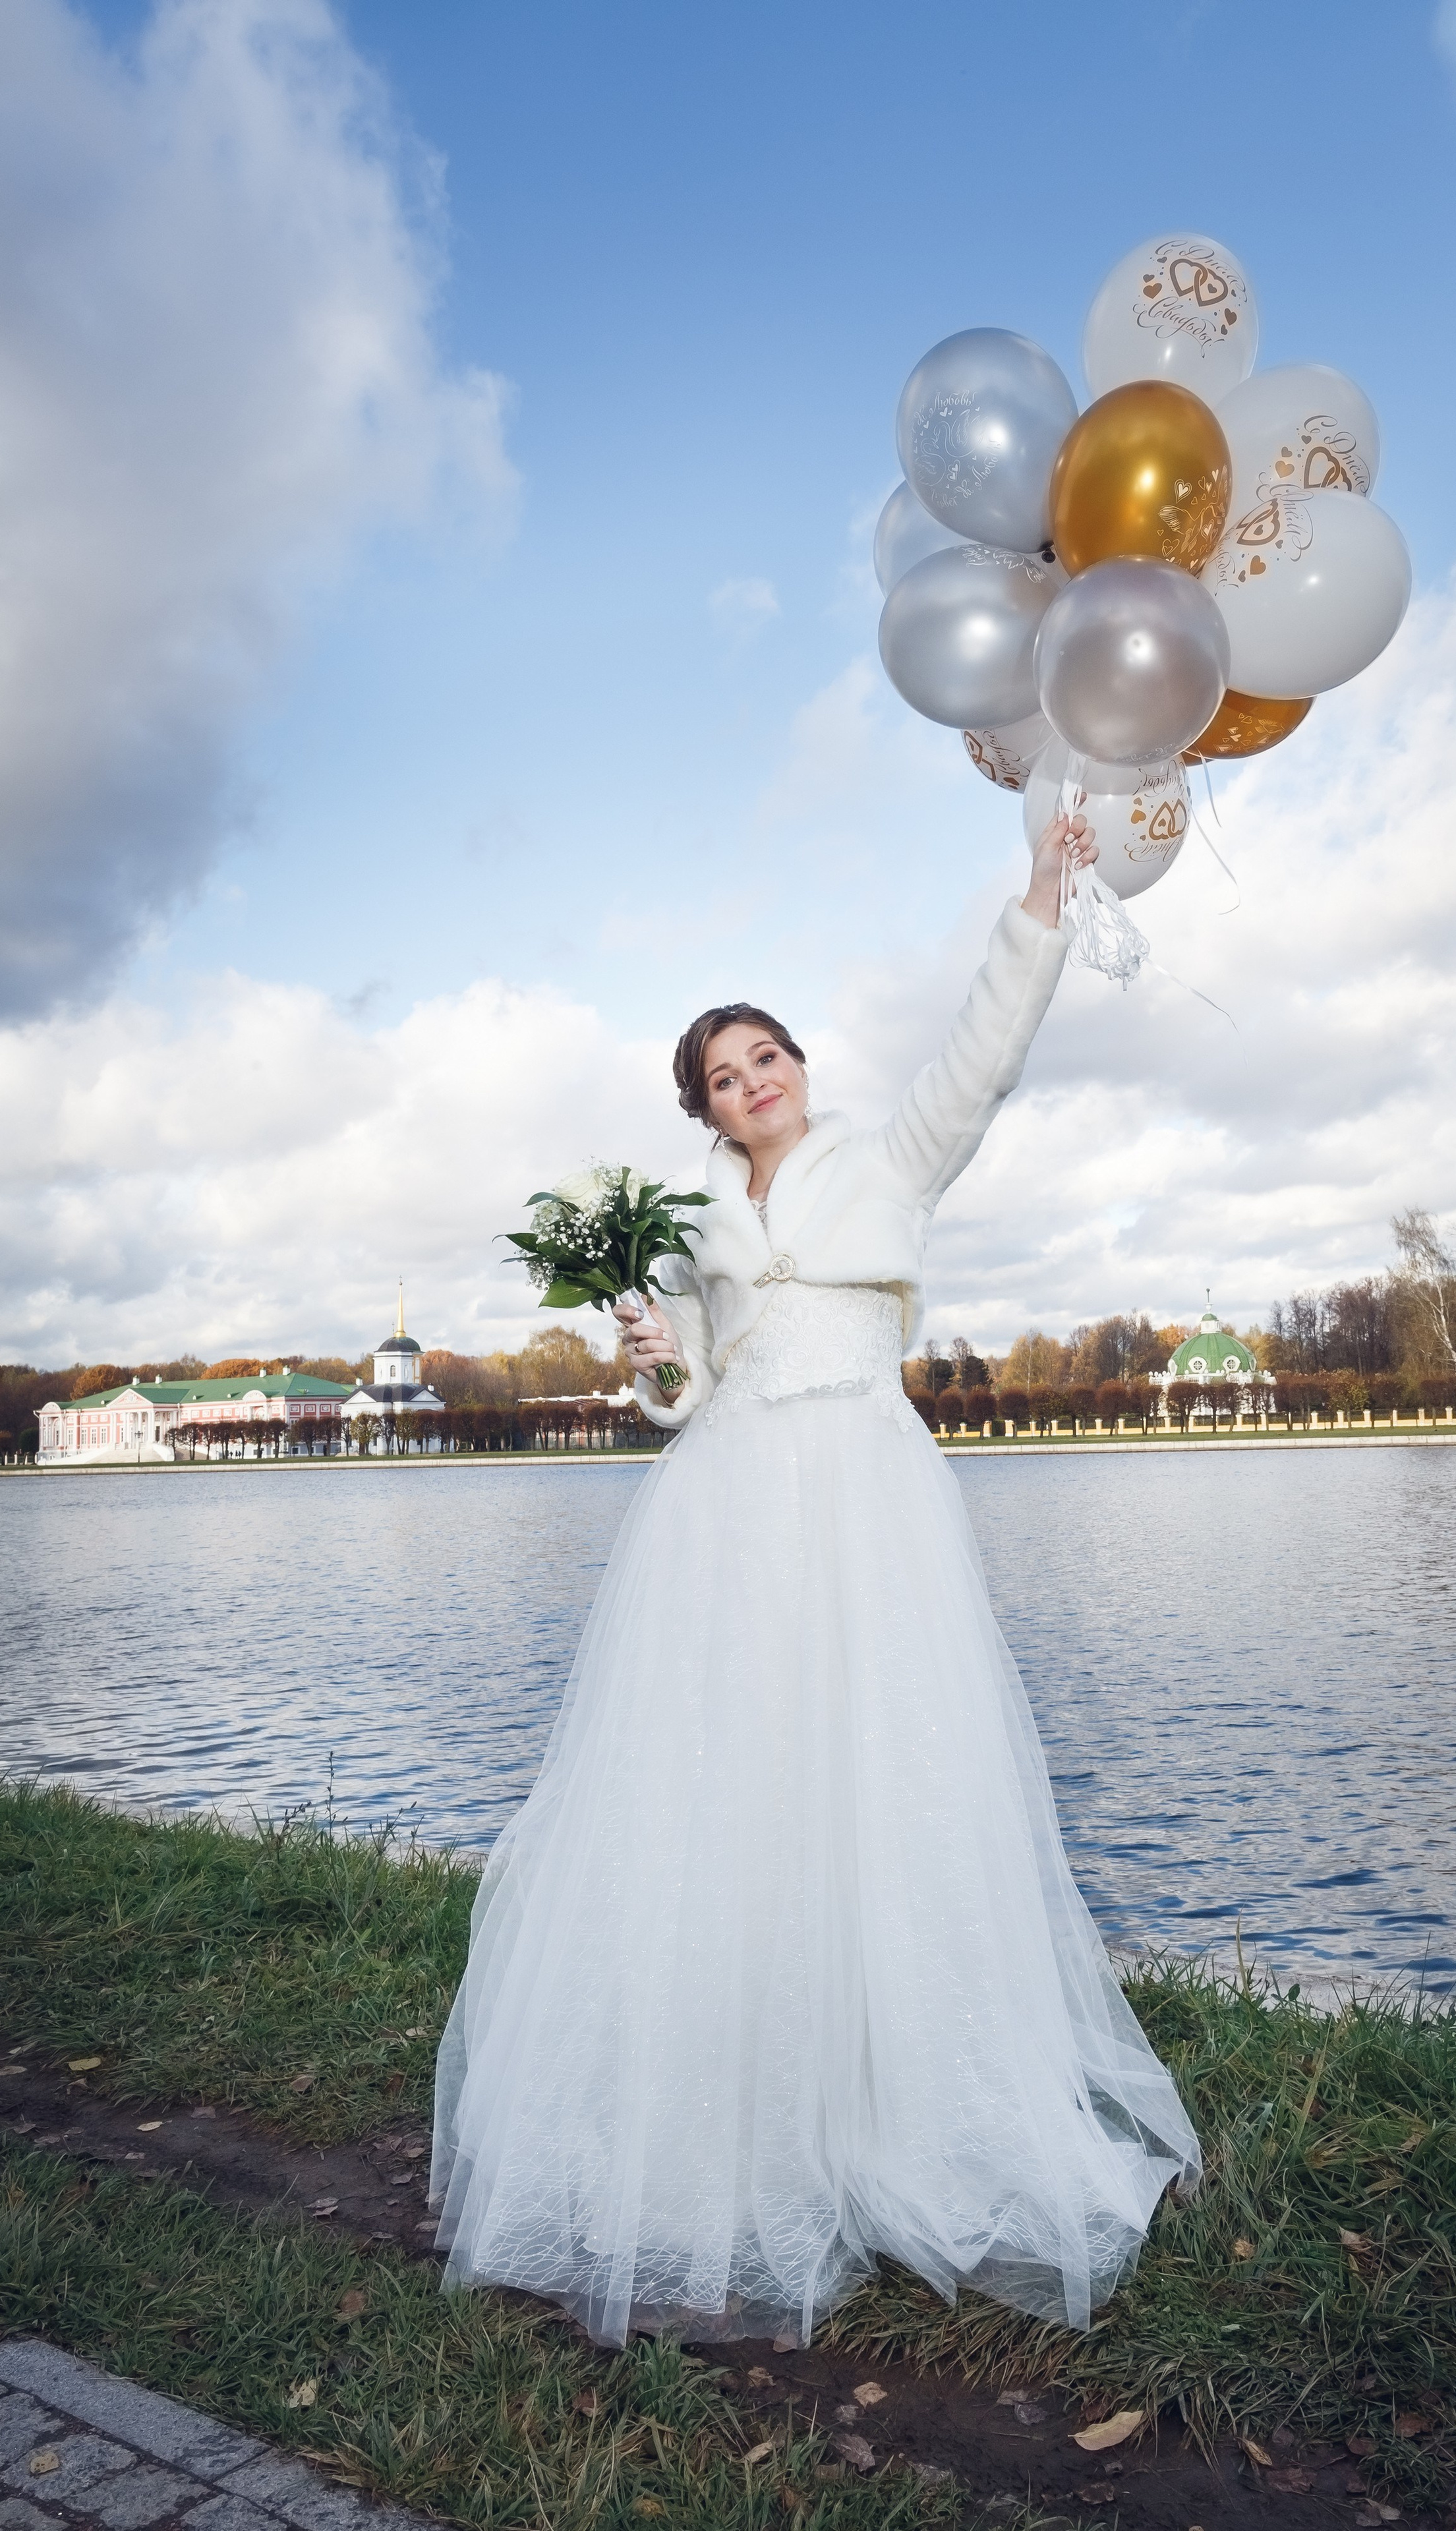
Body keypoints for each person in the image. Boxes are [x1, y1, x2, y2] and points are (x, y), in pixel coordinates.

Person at [430, 812, 1200, 2348]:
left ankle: (906, 2100)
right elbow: (682, 1397)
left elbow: (985, 1047)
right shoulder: (687, 1226)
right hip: (725, 1515)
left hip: (863, 1498)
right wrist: (652, 1353)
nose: (752, 1084)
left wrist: (1039, 895)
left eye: (764, 1056)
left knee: (888, 1774)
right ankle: (730, 2117)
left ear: (799, 1064)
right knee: (725, 1787)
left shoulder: (892, 1160)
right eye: (722, 1077)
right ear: (703, 1111)